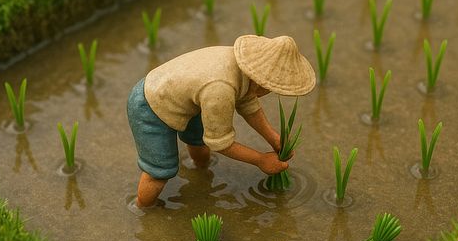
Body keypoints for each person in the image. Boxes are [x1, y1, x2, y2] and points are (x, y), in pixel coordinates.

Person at [127, 33, 316, 208]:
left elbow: (248, 102)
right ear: (261, 82)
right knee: (160, 170)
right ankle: (143, 209)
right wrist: (260, 160)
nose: (270, 92)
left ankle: (201, 169)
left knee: (198, 140)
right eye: (271, 88)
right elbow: (220, 142)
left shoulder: (241, 67)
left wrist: (273, 137)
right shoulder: (221, 88)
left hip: (185, 98)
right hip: (150, 104)